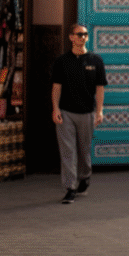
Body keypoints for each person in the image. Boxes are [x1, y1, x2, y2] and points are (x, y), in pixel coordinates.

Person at [51, 23, 107, 204]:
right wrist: (55, 108)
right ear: (71, 37)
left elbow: (100, 89)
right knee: (67, 151)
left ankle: (85, 176)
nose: (82, 37)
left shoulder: (95, 61)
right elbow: (56, 87)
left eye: (85, 34)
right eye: (79, 34)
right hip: (66, 112)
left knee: (84, 150)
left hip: (87, 112)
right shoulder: (62, 61)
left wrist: (99, 111)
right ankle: (70, 188)